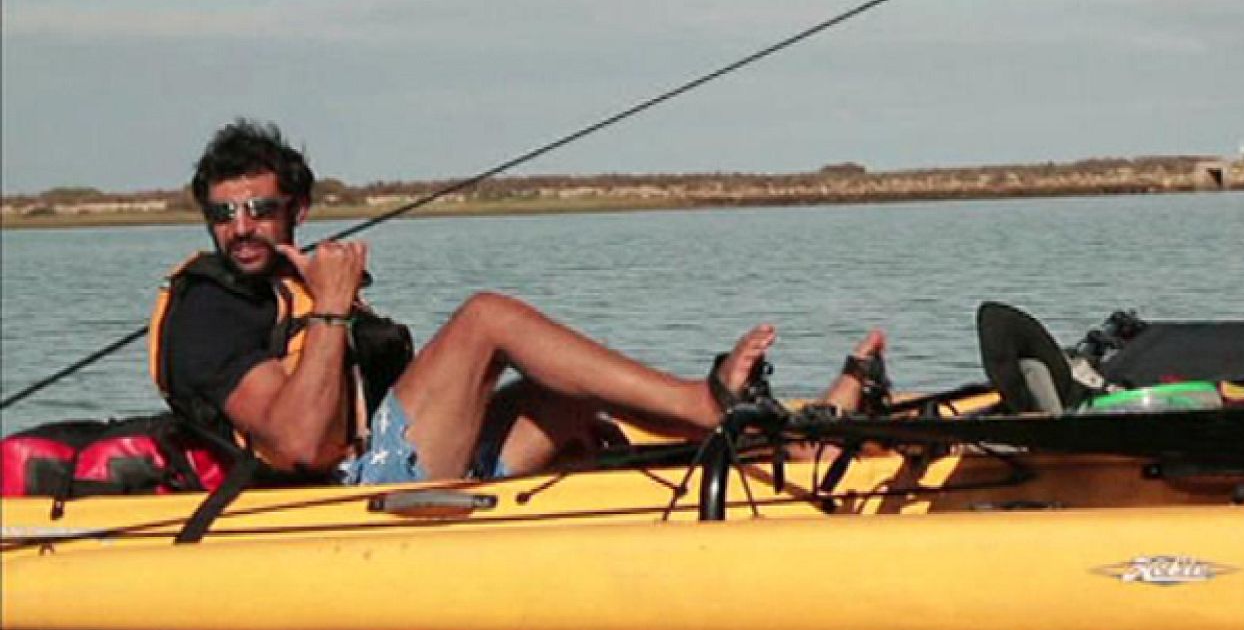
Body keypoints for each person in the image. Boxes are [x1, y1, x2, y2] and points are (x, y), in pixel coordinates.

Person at [151, 118, 885, 485]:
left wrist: (324, 302)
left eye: (259, 207)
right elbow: (303, 445)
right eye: (224, 213)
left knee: (562, 396)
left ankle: (792, 447)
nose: (241, 227)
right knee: (485, 318)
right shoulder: (208, 312)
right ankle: (707, 404)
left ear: (298, 207)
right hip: (339, 499)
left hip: (399, 462)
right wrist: (332, 310)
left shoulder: (295, 282)